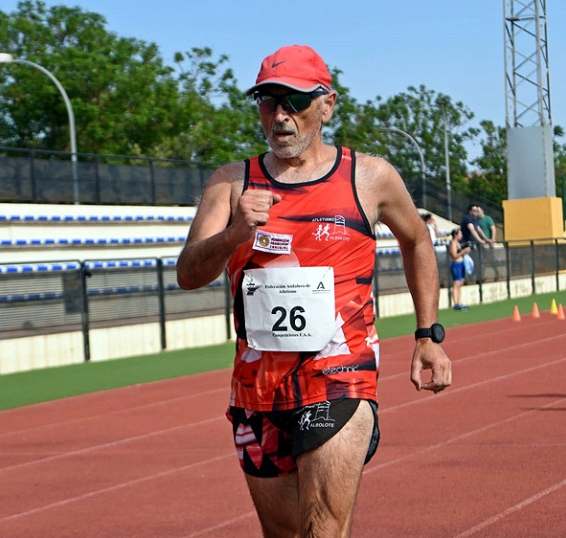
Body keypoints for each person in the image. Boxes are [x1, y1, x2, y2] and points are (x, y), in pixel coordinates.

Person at [176, 44, 452, 538]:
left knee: (321, 527)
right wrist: (233, 235)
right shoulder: (230, 183)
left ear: (327, 105)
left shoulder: (369, 178)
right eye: (267, 101)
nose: (280, 115)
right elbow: (188, 273)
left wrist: (428, 334)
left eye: (294, 101)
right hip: (257, 386)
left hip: (340, 374)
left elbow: (416, 239)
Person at [448, 228, 471, 310]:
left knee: (461, 283)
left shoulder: (458, 243)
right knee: (456, 283)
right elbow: (454, 255)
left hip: (461, 264)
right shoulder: (453, 244)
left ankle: (459, 301)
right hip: (456, 265)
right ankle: (456, 303)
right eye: (460, 234)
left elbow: (462, 250)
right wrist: (463, 251)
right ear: (455, 235)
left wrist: (466, 248)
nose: (461, 235)